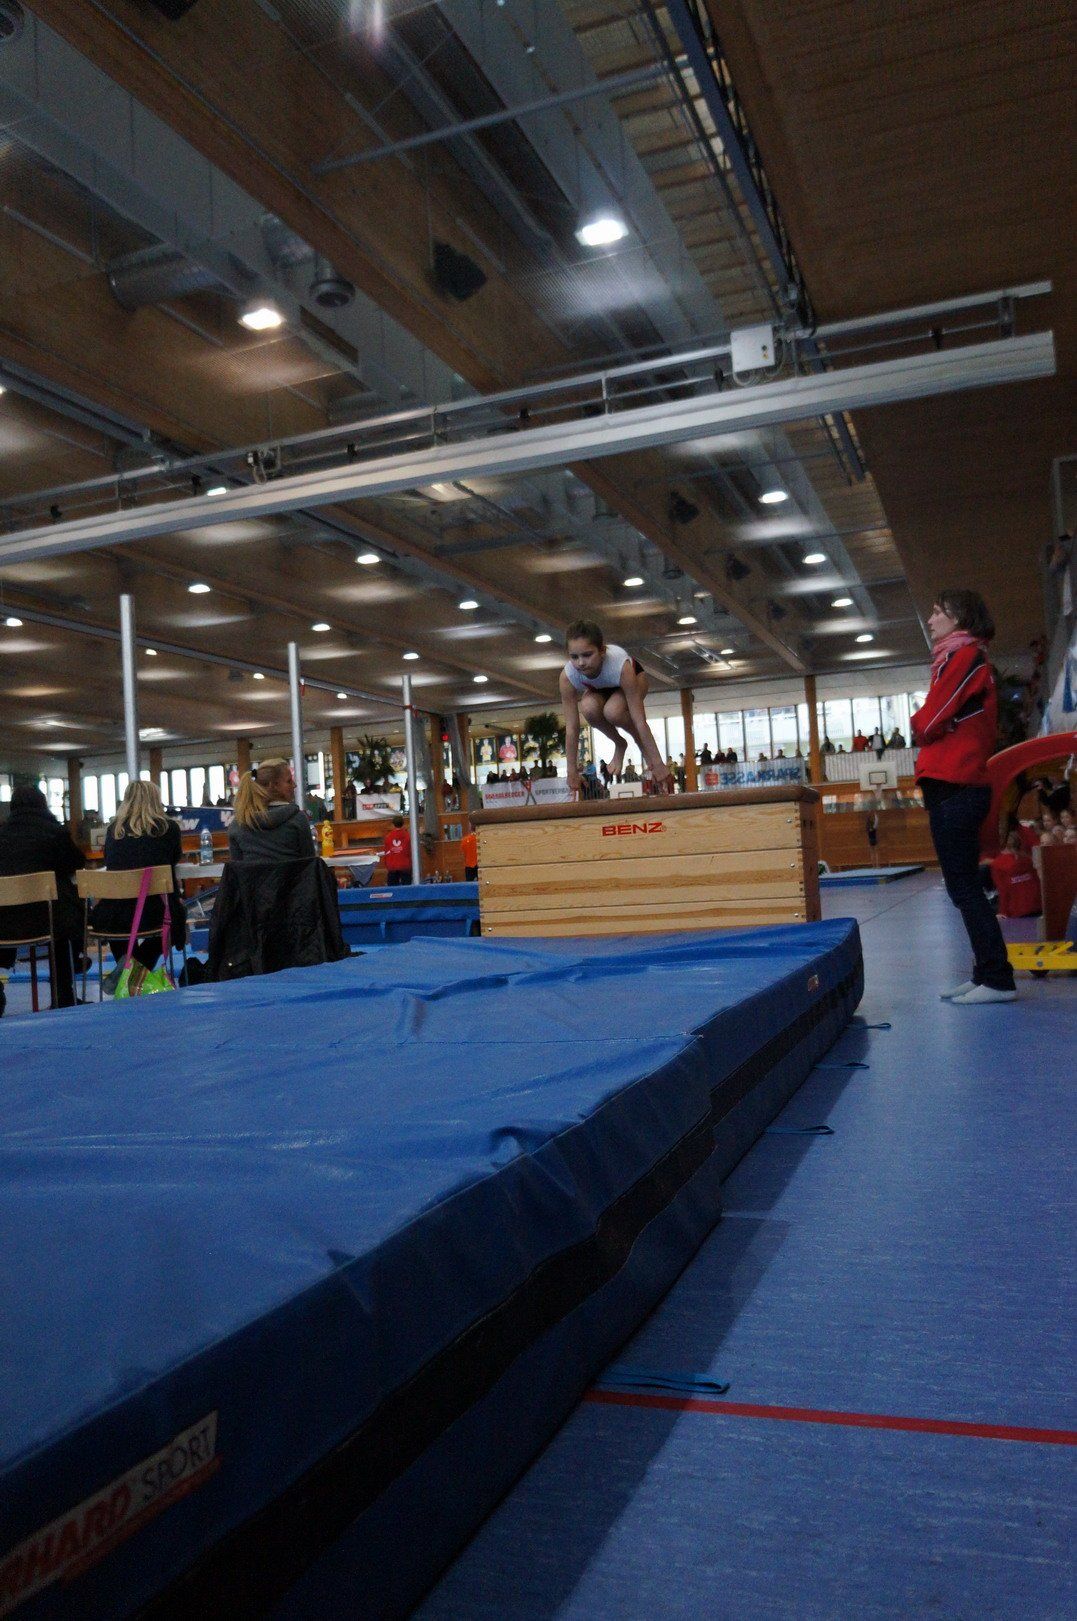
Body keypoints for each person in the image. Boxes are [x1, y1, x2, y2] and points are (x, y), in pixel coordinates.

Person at [912, 588, 1016, 1004]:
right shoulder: (953, 659)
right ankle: (985, 972)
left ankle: (998, 978)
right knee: (963, 887)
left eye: (938, 612)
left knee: (966, 888)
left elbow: (929, 720)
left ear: (960, 618)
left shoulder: (966, 657)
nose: (931, 619)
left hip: (958, 786)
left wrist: (920, 723)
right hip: (951, 786)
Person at [0, 784, 85, 1014]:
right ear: (42, 804)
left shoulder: (2, 835)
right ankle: (64, 994)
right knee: (65, 911)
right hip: (48, 921)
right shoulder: (55, 832)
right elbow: (76, 863)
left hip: (5, 924)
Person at [559, 620, 672, 794]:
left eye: (587, 655)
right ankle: (620, 743)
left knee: (614, 712)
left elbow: (639, 721)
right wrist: (571, 771)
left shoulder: (620, 666)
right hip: (601, 691)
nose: (581, 663)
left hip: (635, 679)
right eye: (574, 657)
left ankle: (643, 751)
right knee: (587, 707)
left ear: (602, 651)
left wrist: (657, 763)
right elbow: (572, 728)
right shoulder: (567, 677)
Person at [92, 780, 187, 973]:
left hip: (117, 912)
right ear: (156, 800)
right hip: (156, 910)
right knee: (173, 920)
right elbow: (174, 858)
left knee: (118, 928)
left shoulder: (114, 830)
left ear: (126, 801)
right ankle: (137, 972)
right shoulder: (169, 828)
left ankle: (129, 973)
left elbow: (110, 861)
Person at [230, 759, 316, 862]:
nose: (294, 785)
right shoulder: (297, 819)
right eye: (289, 781)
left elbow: (237, 868)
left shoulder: (239, 824)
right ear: (274, 785)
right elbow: (310, 864)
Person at [989, 832, 1041, 919]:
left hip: (1016, 910)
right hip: (1037, 906)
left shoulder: (997, 864)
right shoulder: (1028, 860)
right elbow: (1037, 883)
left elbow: (1003, 890)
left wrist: (1003, 912)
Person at [382, 816, 412, 885]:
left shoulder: (388, 836)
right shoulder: (407, 835)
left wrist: (387, 864)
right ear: (403, 823)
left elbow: (387, 852)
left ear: (393, 824)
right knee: (407, 888)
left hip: (392, 865)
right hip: (405, 864)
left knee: (393, 889)